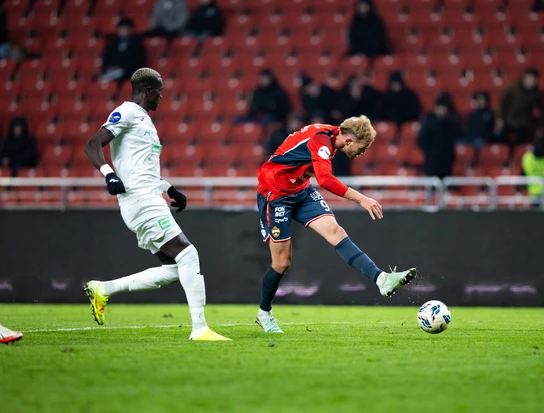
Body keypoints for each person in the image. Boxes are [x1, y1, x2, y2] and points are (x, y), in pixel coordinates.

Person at [83, 68, 228, 341]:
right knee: (188, 255)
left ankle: (103, 289)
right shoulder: (126, 113)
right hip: (140, 200)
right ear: (148, 91)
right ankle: (200, 329)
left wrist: (168, 187)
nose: (161, 97)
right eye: (159, 92)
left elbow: (143, 167)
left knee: (175, 268)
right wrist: (108, 174)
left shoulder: (145, 120)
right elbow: (92, 144)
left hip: (149, 196)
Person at [255, 117, 417, 332]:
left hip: (301, 190)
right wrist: (361, 198)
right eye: (362, 148)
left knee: (335, 231)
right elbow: (324, 179)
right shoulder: (321, 140)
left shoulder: (331, 137)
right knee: (282, 263)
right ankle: (264, 313)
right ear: (349, 141)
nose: (362, 153)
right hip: (275, 194)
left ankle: (381, 278)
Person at [496, 68, 544, 145]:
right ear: (524, 78)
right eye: (529, 78)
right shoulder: (513, 88)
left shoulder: (537, 93)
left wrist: (542, 126)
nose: (531, 81)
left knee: (524, 143)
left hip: (525, 123)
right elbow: (502, 102)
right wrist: (500, 117)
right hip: (509, 121)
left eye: (534, 79)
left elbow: (542, 111)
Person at [100, 19, 146, 83]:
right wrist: (111, 67)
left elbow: (139, 62)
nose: (123, 31)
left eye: (125, 29)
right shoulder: (112, 44)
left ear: (130, 30)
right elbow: (106, 59)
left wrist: (122, 68)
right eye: (121, 29)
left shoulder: (137, 45)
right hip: (112, 72)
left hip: (129, 74)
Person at [382, 71, 422, 141]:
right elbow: (382, 112)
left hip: (407, 122)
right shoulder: (386, 96)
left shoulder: (410, 95)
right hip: (391, 123)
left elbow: (416, 111)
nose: (395, 86)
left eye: (397, 84)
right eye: (393, 84)